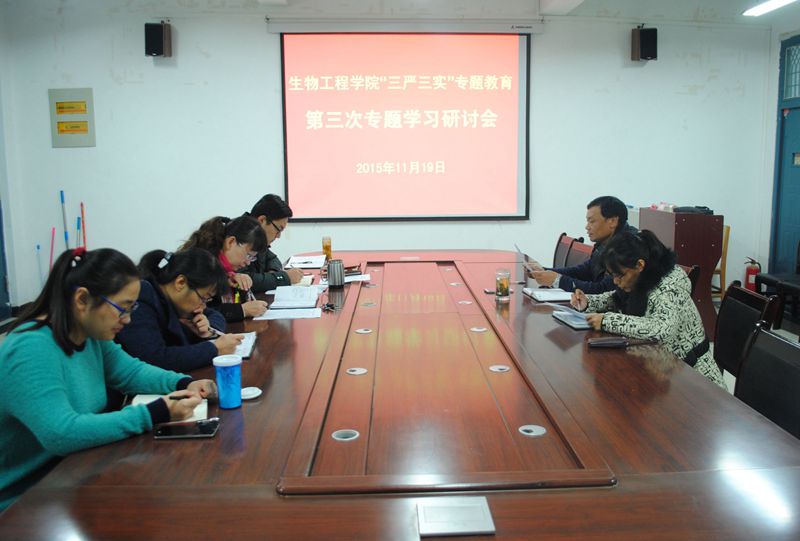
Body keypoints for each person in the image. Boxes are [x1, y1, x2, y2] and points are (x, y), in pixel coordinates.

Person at [0, 248, 217, 512]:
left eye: (132, 308)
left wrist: (183, 383)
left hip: (75, 474)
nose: (128, 319)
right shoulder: (30, 349)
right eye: (122, 309)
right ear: (82, 299)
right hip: (23, 503)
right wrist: (155, 413)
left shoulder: (88, 333)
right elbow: (61, 433)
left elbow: (131, 372)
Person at [570, 230, 726, 388]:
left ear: (639, 265)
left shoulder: (670, 285)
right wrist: (589, 302)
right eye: (612, 275)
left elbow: (662, 328)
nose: (616, 281)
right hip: (662, 370)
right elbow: (618, 298)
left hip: (694, 379)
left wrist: (607, 321)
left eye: (619, 275)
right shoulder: (640, 277)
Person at [115, 248, 244, 372]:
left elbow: (214, 314)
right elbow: (154, 358)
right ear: (180, 282)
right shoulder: (142, 298)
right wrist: (214, 349)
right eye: (203, 298)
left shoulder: (174, 300)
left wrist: (208, 329)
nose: (203, 305)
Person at [530, 196, 637, 293]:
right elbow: (584, 271)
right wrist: (544, 271)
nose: (587, 227)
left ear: (613, 221)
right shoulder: (604, 243)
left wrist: (557, 280)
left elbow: (602, 290)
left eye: (592, 221)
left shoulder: (627, 247)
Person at [180, 215, 269, 322]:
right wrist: (242, 310)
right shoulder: (201, 266)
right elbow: (197, 312)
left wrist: (239, 287)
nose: (248, 262)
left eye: (252, 258)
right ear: (230, 242)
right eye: (248, 255)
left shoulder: (225, 270)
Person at [242, 194, 304, 292]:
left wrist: (273, 273)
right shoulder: (239, 237)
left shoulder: (257, 237)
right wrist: (285, 277)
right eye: (278, 229)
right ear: (262, 220)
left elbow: (272, 259)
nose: (278, 236)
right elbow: (246, 280)